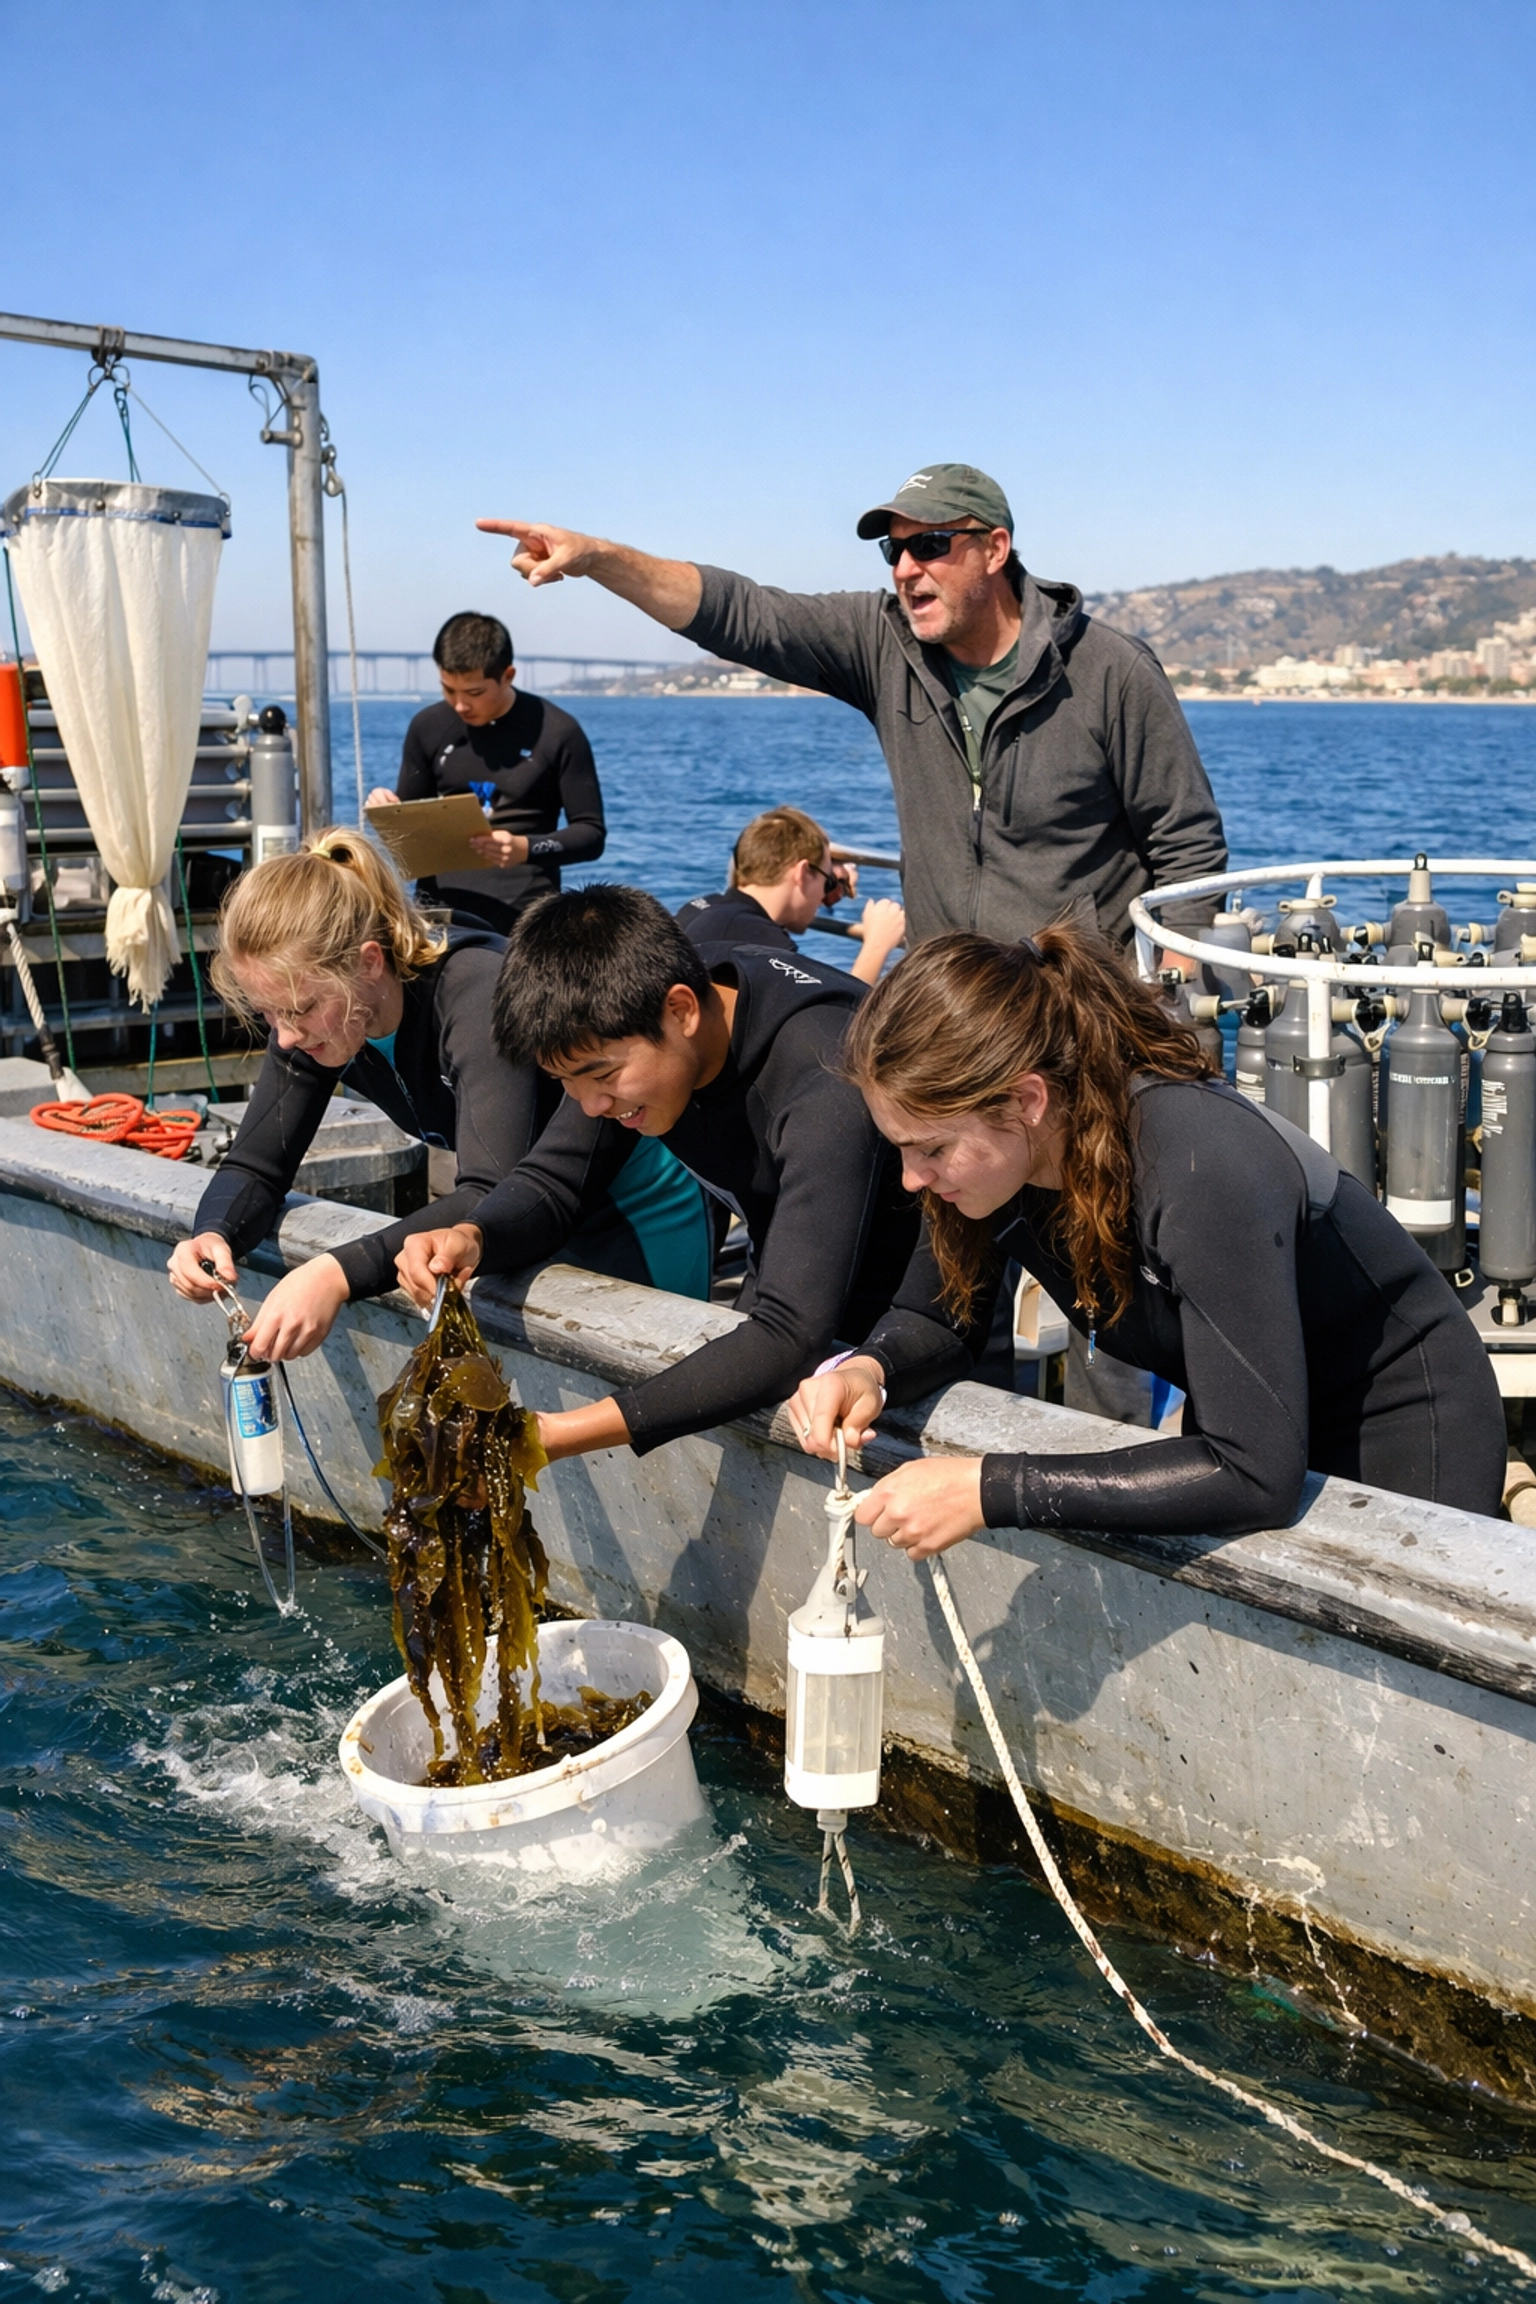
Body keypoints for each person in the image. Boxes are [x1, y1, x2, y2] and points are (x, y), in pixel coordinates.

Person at [787, 926, 1506, 1554]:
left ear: (1026, 1101)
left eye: (932, 1150)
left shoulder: (1195, 1164)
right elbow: (932, 1317)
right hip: (1255, 1421)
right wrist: (866, 1371)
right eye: (901, 1149)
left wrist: (989, 1489)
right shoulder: (993, 1167)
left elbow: (1253, 1474)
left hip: (1400, 1431)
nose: (912, 1179)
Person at [474, 465, 1227, 952]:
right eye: (893, 552)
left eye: (930, 545)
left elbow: (1187, 847)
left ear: (995, 550)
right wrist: (600, 557)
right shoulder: (884, 642)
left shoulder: (1108, 672)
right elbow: (747, 615)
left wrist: (1157, 1005)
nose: (906, 569)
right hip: (954, 1007)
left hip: (1078, 1012)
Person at [394, 884, 918, 1464]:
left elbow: (792, 1335)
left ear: (682, 1010)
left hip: (914, 1325)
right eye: (566, 1083)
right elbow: (555, 1180)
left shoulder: (824, 1074)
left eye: (600, 1077)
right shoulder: (632, 1033)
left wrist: (555, 1435)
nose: (590, 1106)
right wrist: (475, 1237)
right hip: (789, 1275)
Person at [166, 837, 711, 1362]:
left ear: (369, 963)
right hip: (521, 1217)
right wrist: (214, 1234)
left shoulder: (473, 994)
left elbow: (488, 1187)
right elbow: (258, 1165)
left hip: (632, 1213)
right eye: (267, 1013)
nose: (284, 1036)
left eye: (298, 1009)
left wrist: (333, 1275)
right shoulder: (322, 1018)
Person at [366, 609, 604, 937]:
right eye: (449, 690)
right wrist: (386, 811)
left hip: (527, 917)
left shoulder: (559, 732)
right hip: (439, 914)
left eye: (474, 693)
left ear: (508, 675)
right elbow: (408, 839)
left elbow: (591, 834)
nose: (460, 705)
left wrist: (525, 847)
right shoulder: (428, 727)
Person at [677, 803, 906, 985]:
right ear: (803, 872)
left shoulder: (702, 908)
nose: (823, 900)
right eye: (828, 884)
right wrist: (877, 945)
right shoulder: (762, 943)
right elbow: (836, 1027)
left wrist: (824, 870)